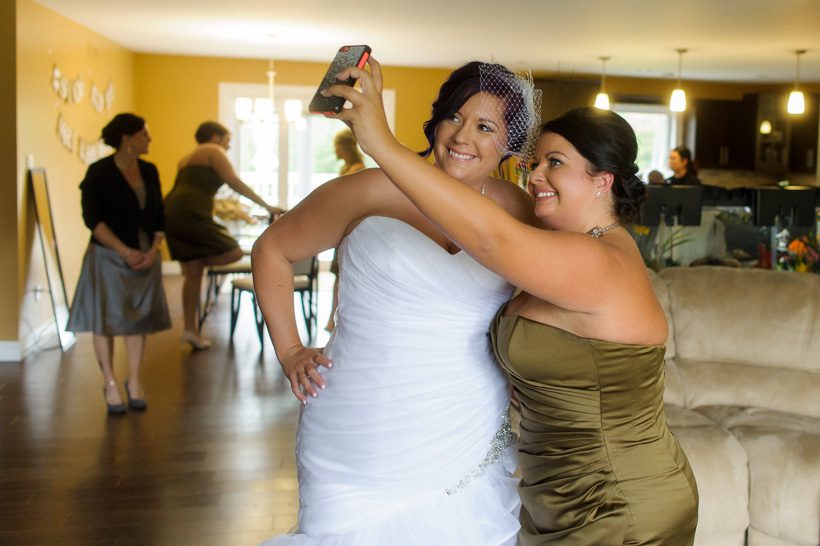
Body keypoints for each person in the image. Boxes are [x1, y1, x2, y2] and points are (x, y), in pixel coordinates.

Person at [328, 58, 699, 545]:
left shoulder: (599, 260)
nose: (535, 176)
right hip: (556, 496)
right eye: (536, 161)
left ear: (601, 181)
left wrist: (381, 144)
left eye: (556, 163)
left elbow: (490, 240)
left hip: (619, 500)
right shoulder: (557, 248)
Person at [253, 61, 541, 545]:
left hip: (464, 420)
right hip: (356, 421)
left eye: (485, 126)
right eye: (454, 116)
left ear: (509, 143)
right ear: (435, 121)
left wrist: (524, 372)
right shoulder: (369, 189)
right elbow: (272, 250)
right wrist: (289, 351)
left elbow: (541, 302)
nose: (462, 136)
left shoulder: (521, 212)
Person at [66, 113, 171, 415]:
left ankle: (134, 381)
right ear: (127, 139)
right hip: (109, 256)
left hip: (146, 254)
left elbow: (159, 214)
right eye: (144, 134)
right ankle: (110, 382)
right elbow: (93, 220)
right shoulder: (98, 173)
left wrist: (153, 249)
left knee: (136, 320)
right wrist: (125, 252)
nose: (149, 140)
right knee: (107, 320)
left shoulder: (149, 170)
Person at [163, 121, 285, 350]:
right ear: (216, 137)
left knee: (192, 274)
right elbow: (234, 182)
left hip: (173, 212)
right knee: (234, 251)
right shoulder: (212, 151)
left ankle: (189, 330)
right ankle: (191, 323)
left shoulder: (186, 158)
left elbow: (187, 189)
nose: (228, 147)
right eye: (227, 141)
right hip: (191, 213)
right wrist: (266, 205)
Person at [325, 129, 366, 332]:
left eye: (337, 147)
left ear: (344, 147)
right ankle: (332, 317)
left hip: (348, 228)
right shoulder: (347, 167)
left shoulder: (357, 169)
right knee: (338, 275)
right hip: (341, 225)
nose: (335, 152)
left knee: (342, 275)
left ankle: (337, 318)